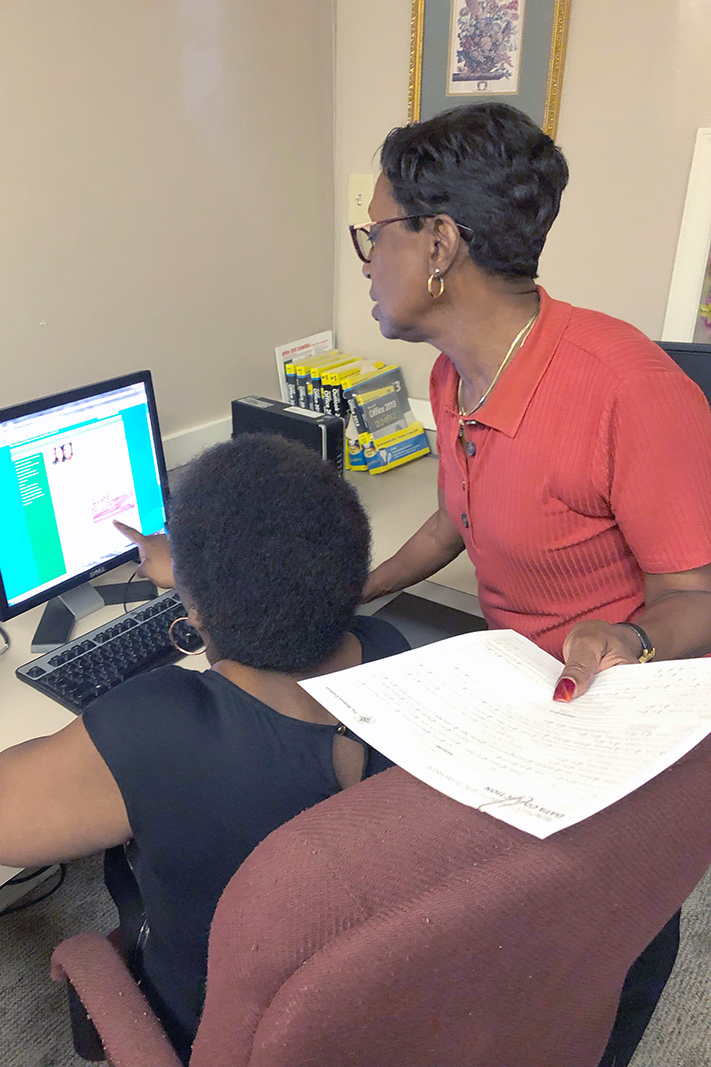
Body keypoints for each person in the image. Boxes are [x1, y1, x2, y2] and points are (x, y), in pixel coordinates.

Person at [352, 101, 711, 1066]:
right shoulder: (452, 372)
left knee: (597, 950)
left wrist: (628, 639)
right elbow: (454, 520)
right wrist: (360, 586)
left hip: (616, 708)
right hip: (514, 686)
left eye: (375, 233)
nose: (367, 259)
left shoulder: (626, 388)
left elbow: (700, 601)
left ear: (439, 244)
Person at [0, 433, 409, 1063]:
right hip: (366, 990)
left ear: (197, 606)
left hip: (218, 1024)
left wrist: (193, 595)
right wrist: (198, 580)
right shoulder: (391, 646)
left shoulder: (159, 726)